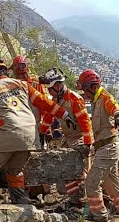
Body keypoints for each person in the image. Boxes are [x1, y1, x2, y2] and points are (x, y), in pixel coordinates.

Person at [0, 58, 75, 205]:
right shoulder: (22, 84)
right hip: (30, 135)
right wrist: (65, 114)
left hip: (7, 134)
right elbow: (44, 102)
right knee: (15, 170)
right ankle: (20, 202)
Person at [76, 69, 119, 222]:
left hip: (109, 147)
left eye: (85, 89)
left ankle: (99, 216)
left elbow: (114, 107)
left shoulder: (105, 97)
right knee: (111, 184)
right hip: (105, 147)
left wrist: (118, 115)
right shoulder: (96, 101)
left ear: (92, 86)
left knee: (91, 182)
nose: (84, 93)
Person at [40, 67, 94, 204]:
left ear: (58, 86)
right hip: (68, 138)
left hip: (80, 137)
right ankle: (74, 200)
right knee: (66, 171)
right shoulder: (56, 100)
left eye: (50, 89)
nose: (48, 92)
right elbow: (48, 117)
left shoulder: (74, 99)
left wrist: (87, 142)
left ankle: (87, 201)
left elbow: (85, 122)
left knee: (81, 172)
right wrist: (43, 132)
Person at [10, 55, 49, 149]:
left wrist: (46, 128)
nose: (21, 77)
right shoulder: (12, 85)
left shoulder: (35, 83)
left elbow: (44, 105)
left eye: (22, 74)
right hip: (20, 124)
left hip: (36, 124)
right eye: (18, 75)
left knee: (38, 150)